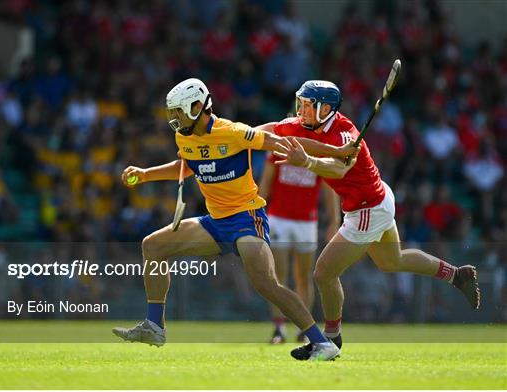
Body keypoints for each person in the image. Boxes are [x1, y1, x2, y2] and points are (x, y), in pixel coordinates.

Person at [112, 78, 358, 361]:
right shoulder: (184, 137)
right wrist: (145, 174)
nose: (174, 119)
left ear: (197, 107)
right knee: (153, 246)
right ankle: (154, 325)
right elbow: (186, 165)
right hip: (215, 222)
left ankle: (321, 343)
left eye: (178, 112)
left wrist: (337, 152)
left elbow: (286, 143)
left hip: (246, 218)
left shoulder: (234, 132)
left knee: (266, 284)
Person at [259, 80, 480, 360]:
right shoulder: (306, 126)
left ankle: (331, 340)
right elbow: (268, 130)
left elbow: (339, 168)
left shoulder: (345, 133)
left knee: (323, 273)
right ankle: (457, 275)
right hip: (378, 199)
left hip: (367, 210)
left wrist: (307, 161)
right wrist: (234, 134)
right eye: (299, 103)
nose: (300, 110)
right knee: (393, 261)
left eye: (306, 105)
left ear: (325, 108)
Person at [259, 142, 340, 344]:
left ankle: (304, 329)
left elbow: (330, 190)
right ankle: (279, 328)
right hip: (279, 218)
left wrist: (334, 221)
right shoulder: (278, 149)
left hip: (307, 221)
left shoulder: (316, 153)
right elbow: (265, 185)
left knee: (303, 277)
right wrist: (256, 216)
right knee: (278, 276)